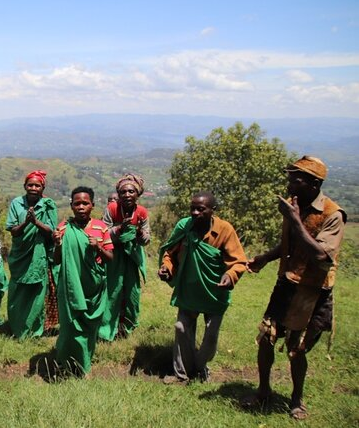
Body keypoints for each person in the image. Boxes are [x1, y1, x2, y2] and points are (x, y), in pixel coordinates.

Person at [241, 156, 345, 420]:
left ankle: (297, 400)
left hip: (313, 290)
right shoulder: (295, 207)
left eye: (295, 180)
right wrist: (266, 257)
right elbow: (293, 245)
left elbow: (321, 255)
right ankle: (263, 391)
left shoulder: (333, 215)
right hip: (287, 283)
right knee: (266, 338)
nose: (289, 184)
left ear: (314, 184)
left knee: (296, 348)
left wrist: (295, 220)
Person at [158, 191, 247, 383]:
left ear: (213, 210)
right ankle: (181, 374)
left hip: (215, 291)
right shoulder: (184, 227)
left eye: (201, 209)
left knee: (211, 336)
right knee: (181, 328)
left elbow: (239, 261)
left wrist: (230, 275)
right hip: (189, 289)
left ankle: (199, 368)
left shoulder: (225, 230)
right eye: (193, 209)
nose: (196, 213)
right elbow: (170, 253)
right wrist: (167, 268)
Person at [52, 187, 113, 377]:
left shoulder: (101, 227)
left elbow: (111, 257)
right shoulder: (63, 228)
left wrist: (99, 248)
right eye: (77, 203)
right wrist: (57, 244)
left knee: (89, 329)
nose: (81, 207)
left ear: (92, 205)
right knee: (69, 327)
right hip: (71, 287)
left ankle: (83, 365)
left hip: (93, 288)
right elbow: (56, 260)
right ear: (71, 205)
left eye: (85, 203)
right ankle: (63, 364)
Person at [6, 170, 59, 338]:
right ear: (25, 186)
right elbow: (13, 231)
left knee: (37, 292)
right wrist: (26, 223)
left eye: (37, 185)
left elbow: (51, 230)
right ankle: (17, 328)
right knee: (17, 291)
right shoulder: (16, 203)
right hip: (20, 253)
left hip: (39, 253)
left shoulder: (49, 204)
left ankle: (35, 330)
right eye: (30, 185)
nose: (33, 188)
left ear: (43, 187)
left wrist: (36, 222)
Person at [99, 174, 151, 341]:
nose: (127, 195)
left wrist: (140, 234)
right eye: (123, 192)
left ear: (137, 194)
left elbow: (146, 239)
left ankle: (127, 327)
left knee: (131, 291)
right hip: (113, 256)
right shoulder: (112, 209)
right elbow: (104, 233)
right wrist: (121, 228)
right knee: (113, 291)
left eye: (131, 191)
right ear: (118, 194)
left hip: (132, 257)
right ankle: (107, 329)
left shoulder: (141, 212)